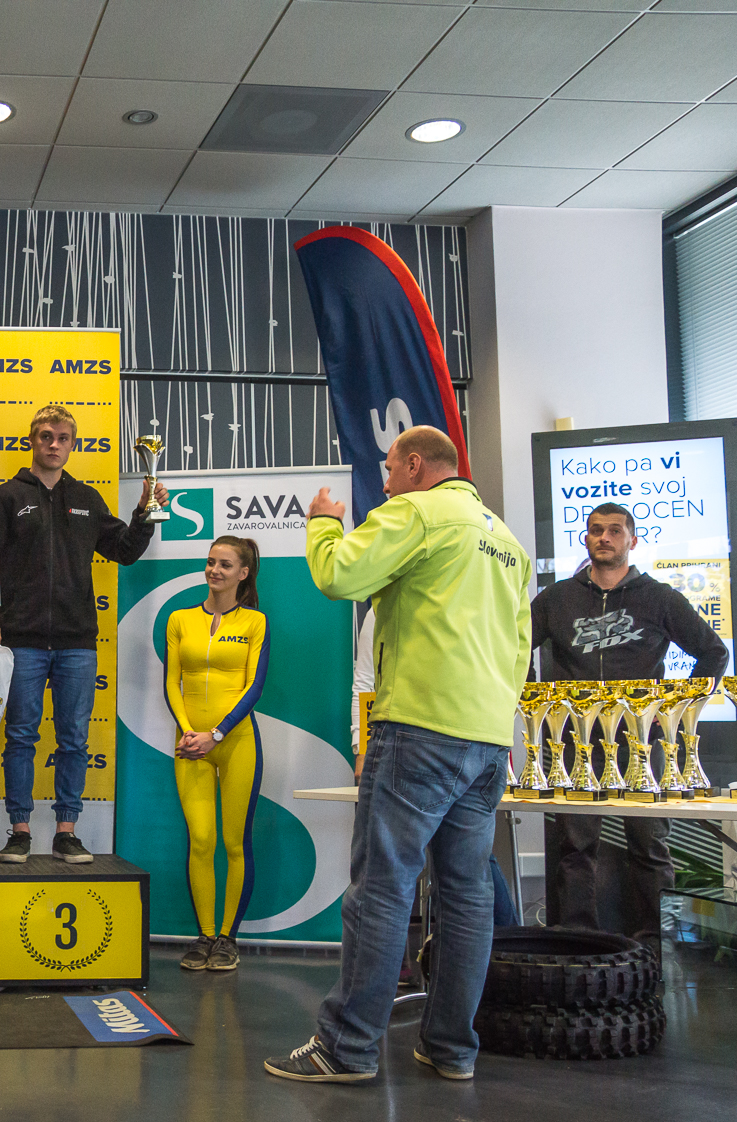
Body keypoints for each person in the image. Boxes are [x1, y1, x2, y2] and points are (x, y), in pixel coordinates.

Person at [266, 425, 530, 1084]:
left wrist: (324, 524)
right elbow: (519, 648)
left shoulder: (417, 511)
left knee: (382, 890)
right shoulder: (506, 540)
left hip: (419, 725)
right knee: (466, 896)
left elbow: (338, 576)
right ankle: (451, 1048)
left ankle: (346, 1048)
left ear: (415, 465)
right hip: (488, 735)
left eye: (388, 470)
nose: (383, 485)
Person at [0, 406, 162, 863]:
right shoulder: (5, 497)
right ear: (32, 440)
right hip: (20, 640)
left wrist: (144, 512)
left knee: (74, 740)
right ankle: (19, 831)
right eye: (46, 435)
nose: (54, 444)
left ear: (72, 445)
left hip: (76, 642)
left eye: (63, 438)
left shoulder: (87, 498)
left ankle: (67, 831)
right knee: (21, 737)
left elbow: (124, 550)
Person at [531, 501, 728, 946]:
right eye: (596, 529)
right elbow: (514, 644)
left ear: (632, 541)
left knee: (650, 847)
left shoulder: (659, 598)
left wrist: (675, 709)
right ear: (585, 538)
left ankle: (655, 946)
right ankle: (577, 942)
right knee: (574, 848)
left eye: (615, 530)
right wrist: (534, 699)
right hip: (574, 742)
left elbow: (713, 652)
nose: (604, 537)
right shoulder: (557, 599)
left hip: (642, 742)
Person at [353, 606, 520, 930]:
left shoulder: (470, 598)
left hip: (434, 740)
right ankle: (508, 946)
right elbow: (365, 681)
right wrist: (362, 745)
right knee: (461, 876)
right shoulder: (385, 607)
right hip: (447, 738)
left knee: (395, 874)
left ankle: (508, 948)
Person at [162, 536, 269, 972]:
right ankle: (205, 935)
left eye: (225, 564)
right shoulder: (179, 619)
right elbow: (171, 682)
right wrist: (190, 731)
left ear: (243, 573)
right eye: (210, 562)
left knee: (233, 843)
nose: (214, 570)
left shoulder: (255, 622)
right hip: (190, 744)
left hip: (236, 742)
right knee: (202, 840)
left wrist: (217, 733)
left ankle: (228, 938)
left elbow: (255, 686)